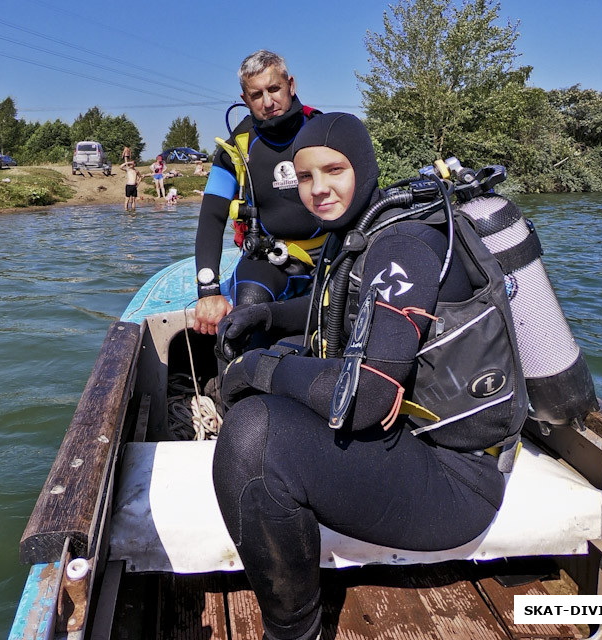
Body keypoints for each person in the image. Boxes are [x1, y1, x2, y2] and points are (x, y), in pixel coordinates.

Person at [211, 113, 527, 640]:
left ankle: (293, 631)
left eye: (333, 171)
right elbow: (340, 304)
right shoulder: (358, 234)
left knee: (252, 437)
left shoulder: (403, 245)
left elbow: (369, 397)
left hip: (456, 480)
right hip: (415, 441)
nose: (318, 190)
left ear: (363, 165)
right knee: (276, 368)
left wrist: (258, 368)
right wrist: (268, 317)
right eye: (304, 176)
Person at [193, 50, 324, 336]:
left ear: (291, 84)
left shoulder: (324, 131)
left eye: (274, 88)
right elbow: (211, 217)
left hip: (331, 255)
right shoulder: (236, 148)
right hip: (269, 260)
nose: (268, 102)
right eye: (256, 95)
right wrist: (208, 291)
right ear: (245, 100)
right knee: (241, 320)